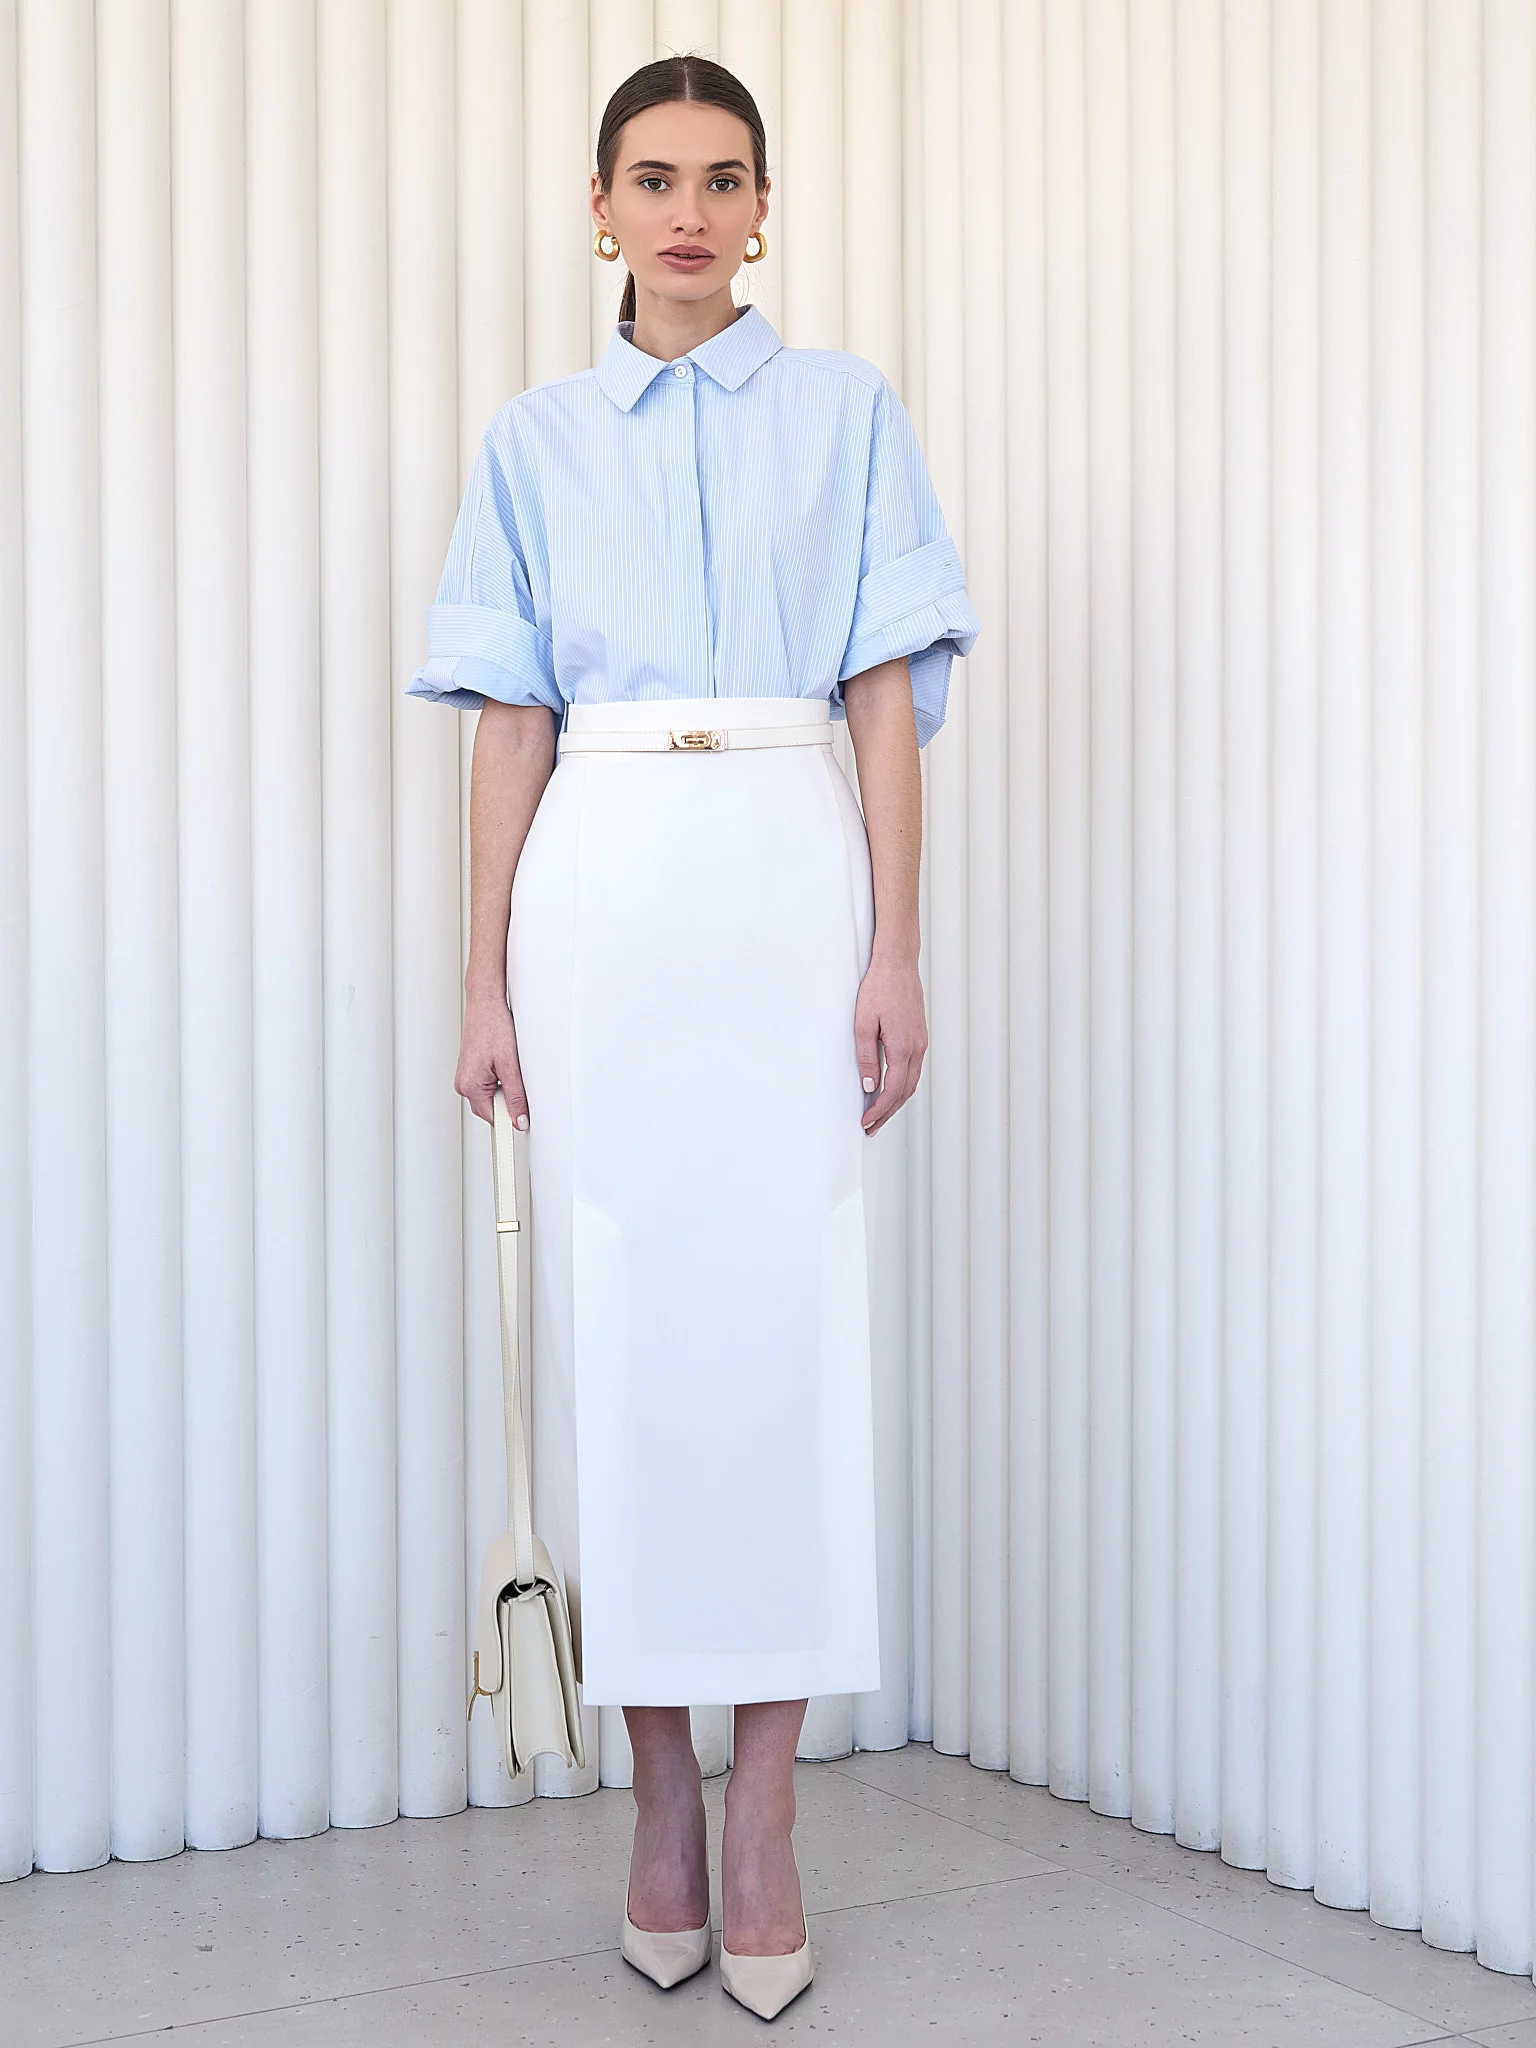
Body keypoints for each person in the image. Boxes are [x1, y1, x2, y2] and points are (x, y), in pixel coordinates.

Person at [407, 53, 979, 2022]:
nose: (687, 211)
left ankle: (767, 1813)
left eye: (722, 179)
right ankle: (656, 1797)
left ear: (761, 208)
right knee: (626, 1343)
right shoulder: (536, 441)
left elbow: (885, 694)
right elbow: (512, 720)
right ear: (600, 207)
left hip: (786, 877)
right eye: (652, 178)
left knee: (788, 1335)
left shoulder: (848, 412)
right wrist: (482, 977)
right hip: (608, 894)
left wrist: (896, 948)